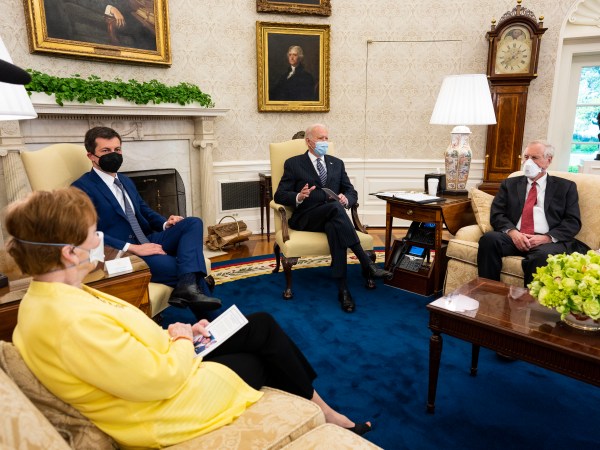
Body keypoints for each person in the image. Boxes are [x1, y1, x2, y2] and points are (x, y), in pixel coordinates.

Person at [6, 187, 372, 448]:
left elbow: (123, 349)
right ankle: (323, 413)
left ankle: (321, 410)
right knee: (259, 354)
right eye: (94, 234)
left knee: (258, 323)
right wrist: (181, 338)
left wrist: (178, 335)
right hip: (165, 409)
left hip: (167, 368)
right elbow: (156, 381)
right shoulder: (68, 320)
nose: (100, 240)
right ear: (70, 253)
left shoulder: (53, 299)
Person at [72, 126, 220, 318]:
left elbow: (143, 210)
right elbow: (85, 234)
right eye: (106, 151)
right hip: (123, 254)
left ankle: (187, 286)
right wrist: (132, 247)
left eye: (117, 150)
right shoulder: (80, 189)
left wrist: (166, 224)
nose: (114, 155)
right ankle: (215, 329)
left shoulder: (125, 180)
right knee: (184, 269)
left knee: (192, 223)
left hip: (149, 238)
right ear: (91, 156)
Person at [274, 123, 392, 313]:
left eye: (326, 138)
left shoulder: (336, 163)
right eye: (321, 138)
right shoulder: (293, 163)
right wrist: (298, 196)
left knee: (335, 224)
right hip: (306, 217)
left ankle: (343, 290)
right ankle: (366, 263)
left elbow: (350, 190)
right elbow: (279, 195)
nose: (325, 142)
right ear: (309, 141)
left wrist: (347, 198)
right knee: (336, 210)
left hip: (333, 216)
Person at [477, 140, 589, 286]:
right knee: (489, 239)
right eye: (526, 157)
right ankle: (489, 292)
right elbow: (497, 214)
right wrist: (513, 233)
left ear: (548, 161)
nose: (528, 162)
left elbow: (572, 222)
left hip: (547, 242)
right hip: (516, 237)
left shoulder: (566, 187)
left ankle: (528, 306)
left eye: (534, 158)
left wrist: (546, 238)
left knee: (541, 257)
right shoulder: (509, 184)